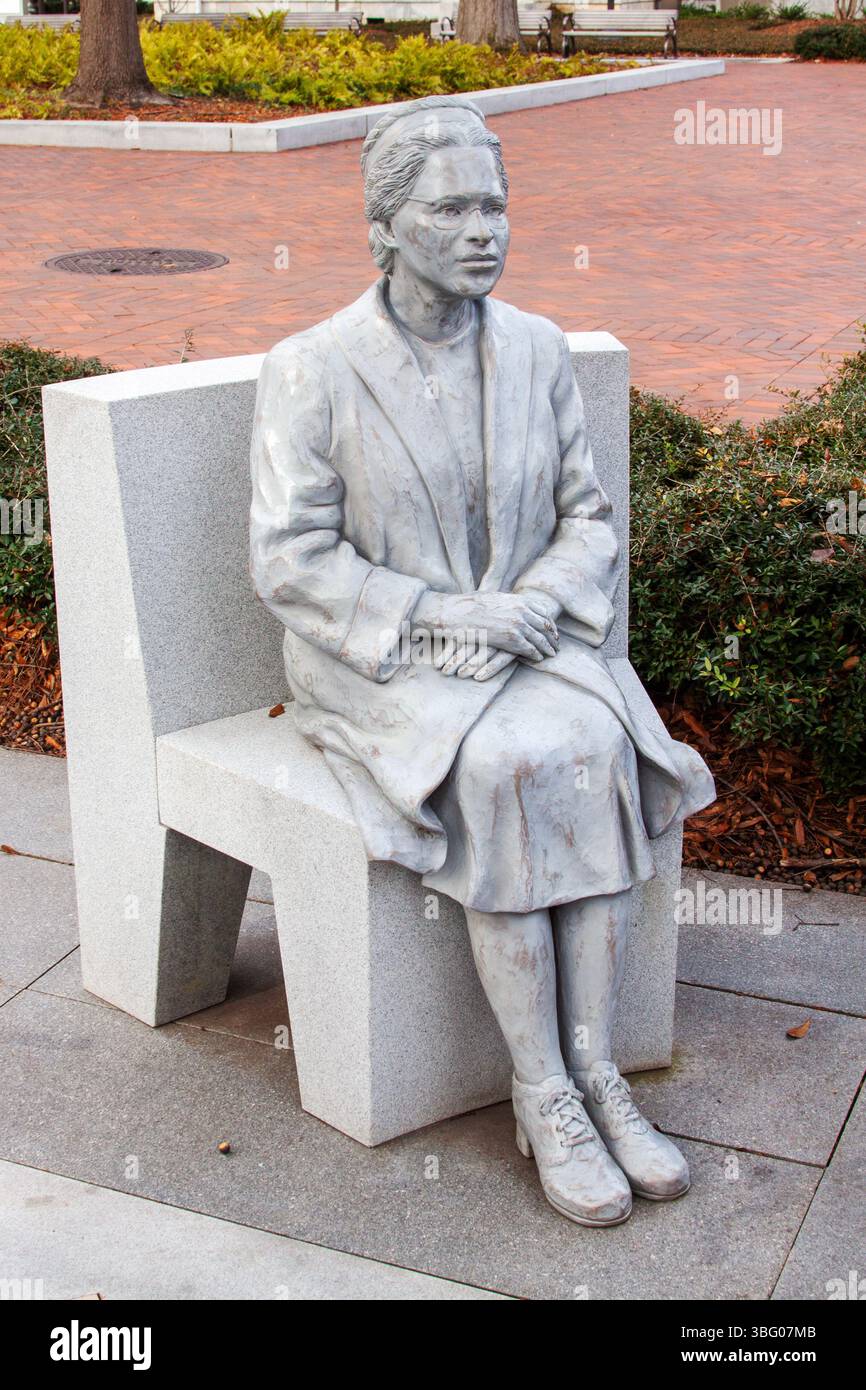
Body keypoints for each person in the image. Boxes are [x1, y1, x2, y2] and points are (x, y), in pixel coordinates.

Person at [250, 95, 715, 1227]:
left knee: (596, 743)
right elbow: (289, 558)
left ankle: (597, 1066)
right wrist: (454, 618)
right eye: (449, 207)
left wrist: (535, 605)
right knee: (510, 764)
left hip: (530, 640)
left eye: (494, 204)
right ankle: (543, 1086)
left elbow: (585, 518)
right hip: (381, 661)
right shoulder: (313, 369)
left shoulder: (537, 348)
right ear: (384, 227)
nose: (483, 230)